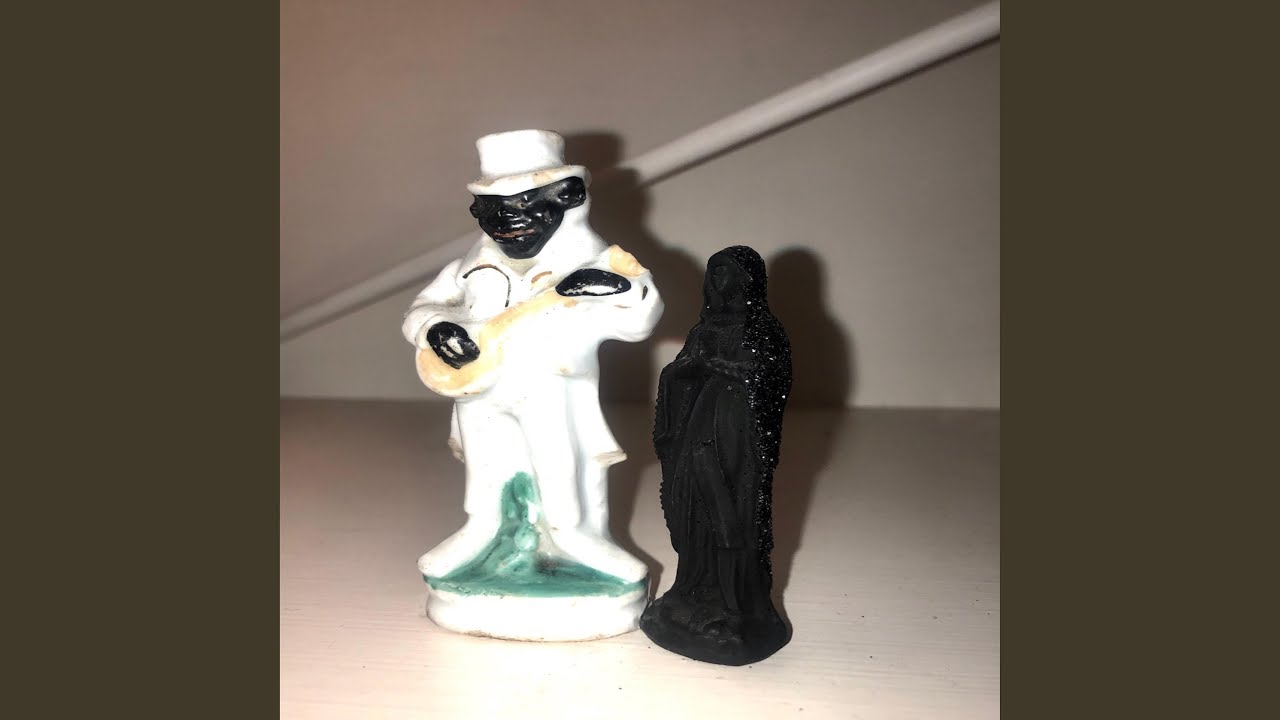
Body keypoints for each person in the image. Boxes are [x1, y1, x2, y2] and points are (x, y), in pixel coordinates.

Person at [401, 130, 663, 586]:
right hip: (480, 389)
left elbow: (639, 321)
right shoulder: (468, 266)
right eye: (493, 209)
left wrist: (620, 290)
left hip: (552, 387)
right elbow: (421, 308)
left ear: (568, 199)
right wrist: (435, 327)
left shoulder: (594, 260)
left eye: (525, 205)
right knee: (485, 465)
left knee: (560, 464)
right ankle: (480, 531)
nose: (508, 221)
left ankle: (576, 537)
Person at [643, 245, 793, 665]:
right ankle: (694, 588)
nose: (716, 281)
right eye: (713, 272)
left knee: (731, 512)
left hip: (738, 433)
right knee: (692, 504)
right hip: (699, 426)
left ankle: (737, 605)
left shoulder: (764, 330)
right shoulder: (704, 328)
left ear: (746, 280)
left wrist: (719, 366)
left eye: (725, 272)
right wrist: (687, 368)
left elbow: (767, 378)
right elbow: (678, 373)